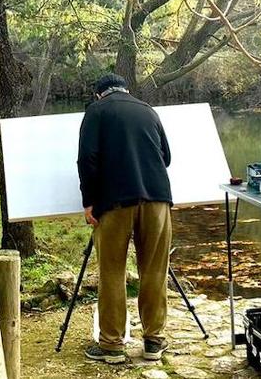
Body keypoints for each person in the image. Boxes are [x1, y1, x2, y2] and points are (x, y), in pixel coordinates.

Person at [77, 73, 173, 365]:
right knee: (155, 270)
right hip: (157, 199)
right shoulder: (148, 110)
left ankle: (112, 347)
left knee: (112, 272)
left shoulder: (96, 112)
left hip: (115, 203)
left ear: (99, 94)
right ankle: (154, 343)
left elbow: (87, 159)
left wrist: (88, 201)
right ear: (126, 90)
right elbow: (166, 157)